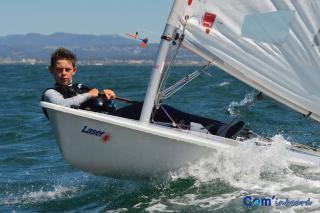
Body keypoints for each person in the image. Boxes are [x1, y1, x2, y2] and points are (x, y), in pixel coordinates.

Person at [42, 47, 116, 117]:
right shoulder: (50, 93)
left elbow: (109, 113)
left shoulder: (82, 89)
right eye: (59, 69)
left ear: (74, 71)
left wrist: (107, 101)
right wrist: (88, 95)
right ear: (51, 70)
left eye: (67, 70)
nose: (64, 73)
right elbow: (61, 106)